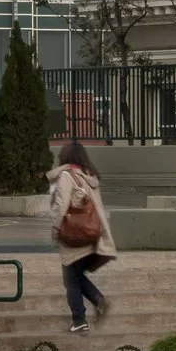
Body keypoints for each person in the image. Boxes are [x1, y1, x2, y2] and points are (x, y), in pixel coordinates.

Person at [45, 136, 116, 334]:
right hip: (92, 235)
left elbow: (60, 206)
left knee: (70, 280)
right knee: (76, 277)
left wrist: (55, 232)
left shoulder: (67, 176)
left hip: (73, 236)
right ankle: (97, 299)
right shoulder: (90, 177)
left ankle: (79, 319)